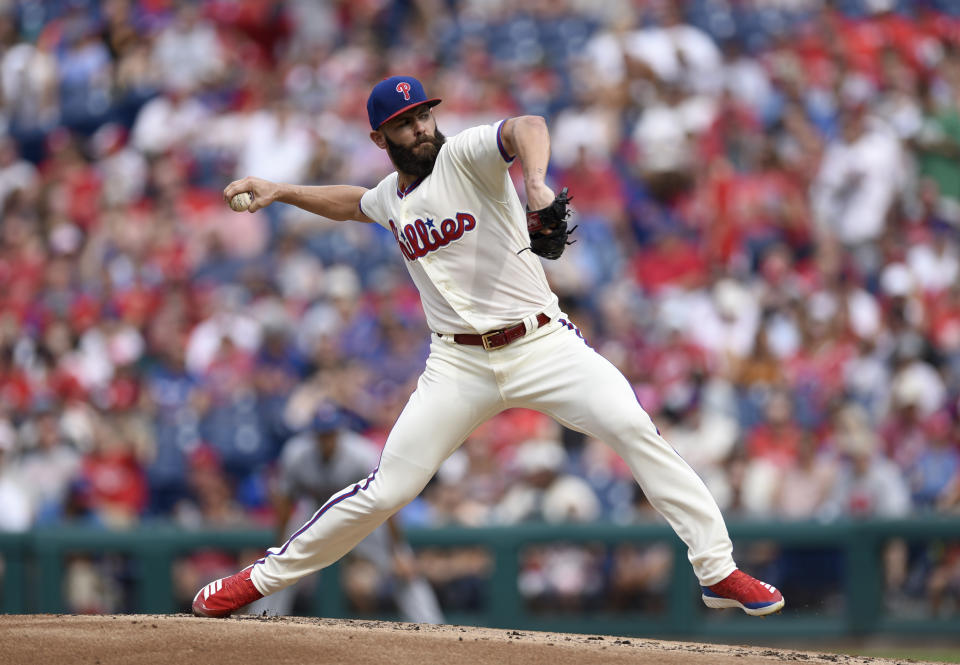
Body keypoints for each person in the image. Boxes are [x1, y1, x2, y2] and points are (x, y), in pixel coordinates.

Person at [192, 75, 785, 619]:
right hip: (457, 364)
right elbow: (354, 203)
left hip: (542, 343)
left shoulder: (463, 155)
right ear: (380, 137)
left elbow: (527, 126)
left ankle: (717, 569)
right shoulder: (392, 199)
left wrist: (533, 181)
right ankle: (262, 579)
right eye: (405, 123)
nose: (421, 128)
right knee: (387, 491)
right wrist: (281, 190)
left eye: (424, 115)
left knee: (636, 429)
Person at [246, 404, 443, 623]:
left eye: (330, 433)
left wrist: (397, 550)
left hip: (361, 515)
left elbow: (386, 502)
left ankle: (431, 624)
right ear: (313, 434)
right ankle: (259, 621)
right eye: (322, 434)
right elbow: (285, 500)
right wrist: (280, 543)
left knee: (404, 568)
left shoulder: (361, 453)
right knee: (280, 563)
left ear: (340, 432)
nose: (326, 439)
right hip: (315, 512)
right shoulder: (297, 454)